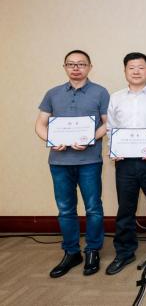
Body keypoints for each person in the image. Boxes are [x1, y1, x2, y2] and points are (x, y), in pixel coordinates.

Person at [34, 50, 109, 278]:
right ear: (65, 67)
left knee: (93, 207)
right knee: (65, 209)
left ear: (89, 67)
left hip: (90, 161)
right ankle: (71, 252)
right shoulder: (52, 93)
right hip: (59, 162)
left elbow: (108, 124)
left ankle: (93, 250)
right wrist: (50, 139)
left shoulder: (100, 92)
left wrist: (89, 138)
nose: (76, 68)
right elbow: (40, 124)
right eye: (71, 64)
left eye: (81, 64)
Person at [105, 52, 146, 275]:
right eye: (131, 67)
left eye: (141, 67)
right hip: (125, 163)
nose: (136, 71)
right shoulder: (115, 98)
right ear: (125, 71)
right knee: (126, 209)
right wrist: (113, 149)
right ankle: (124, 252)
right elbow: (111, 128)